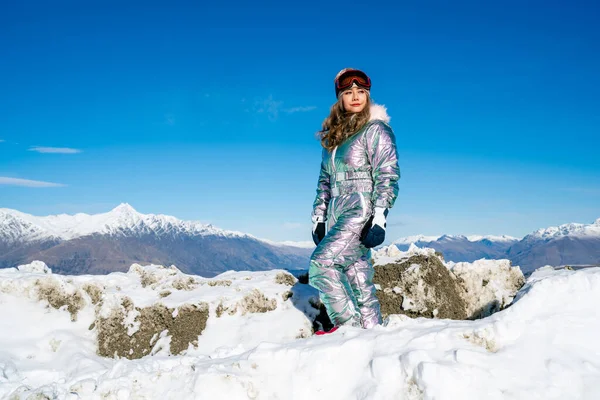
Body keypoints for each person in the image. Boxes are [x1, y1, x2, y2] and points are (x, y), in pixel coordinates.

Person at [309, 68, 400, 333]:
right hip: (339, 212)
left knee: (321, 265)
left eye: (361, 91)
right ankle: (371, 335)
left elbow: (387, 173)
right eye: (349, 92)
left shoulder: (376, 130)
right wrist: (319, 217)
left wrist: (380, 217)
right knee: (357, 277)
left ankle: (347, 328)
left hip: (361, 212)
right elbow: (325, 182)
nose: (356, 96)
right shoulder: (335, 139)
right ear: (340, 98)